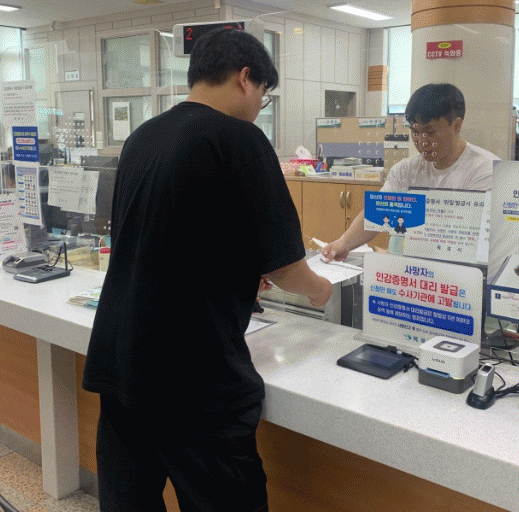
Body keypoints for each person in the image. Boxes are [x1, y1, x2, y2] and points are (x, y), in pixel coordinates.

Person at [82, 27, 332, 512]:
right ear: (244, 78)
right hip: (194, 378)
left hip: (121, 364)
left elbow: (160, 237)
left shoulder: (142, 137)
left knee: (129, 502)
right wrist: (319, 289)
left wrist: (236, 270)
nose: (259, 105)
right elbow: (287, 267)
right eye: (263, 93)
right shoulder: (240, 138)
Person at [322, 83, 499, 262]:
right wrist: (344, 242)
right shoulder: (406, 170)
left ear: (456, 126)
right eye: (415, 132)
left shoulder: (485, 170)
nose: (421, 142)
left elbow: (477, 242)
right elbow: (378, 212)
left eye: (430, 132)